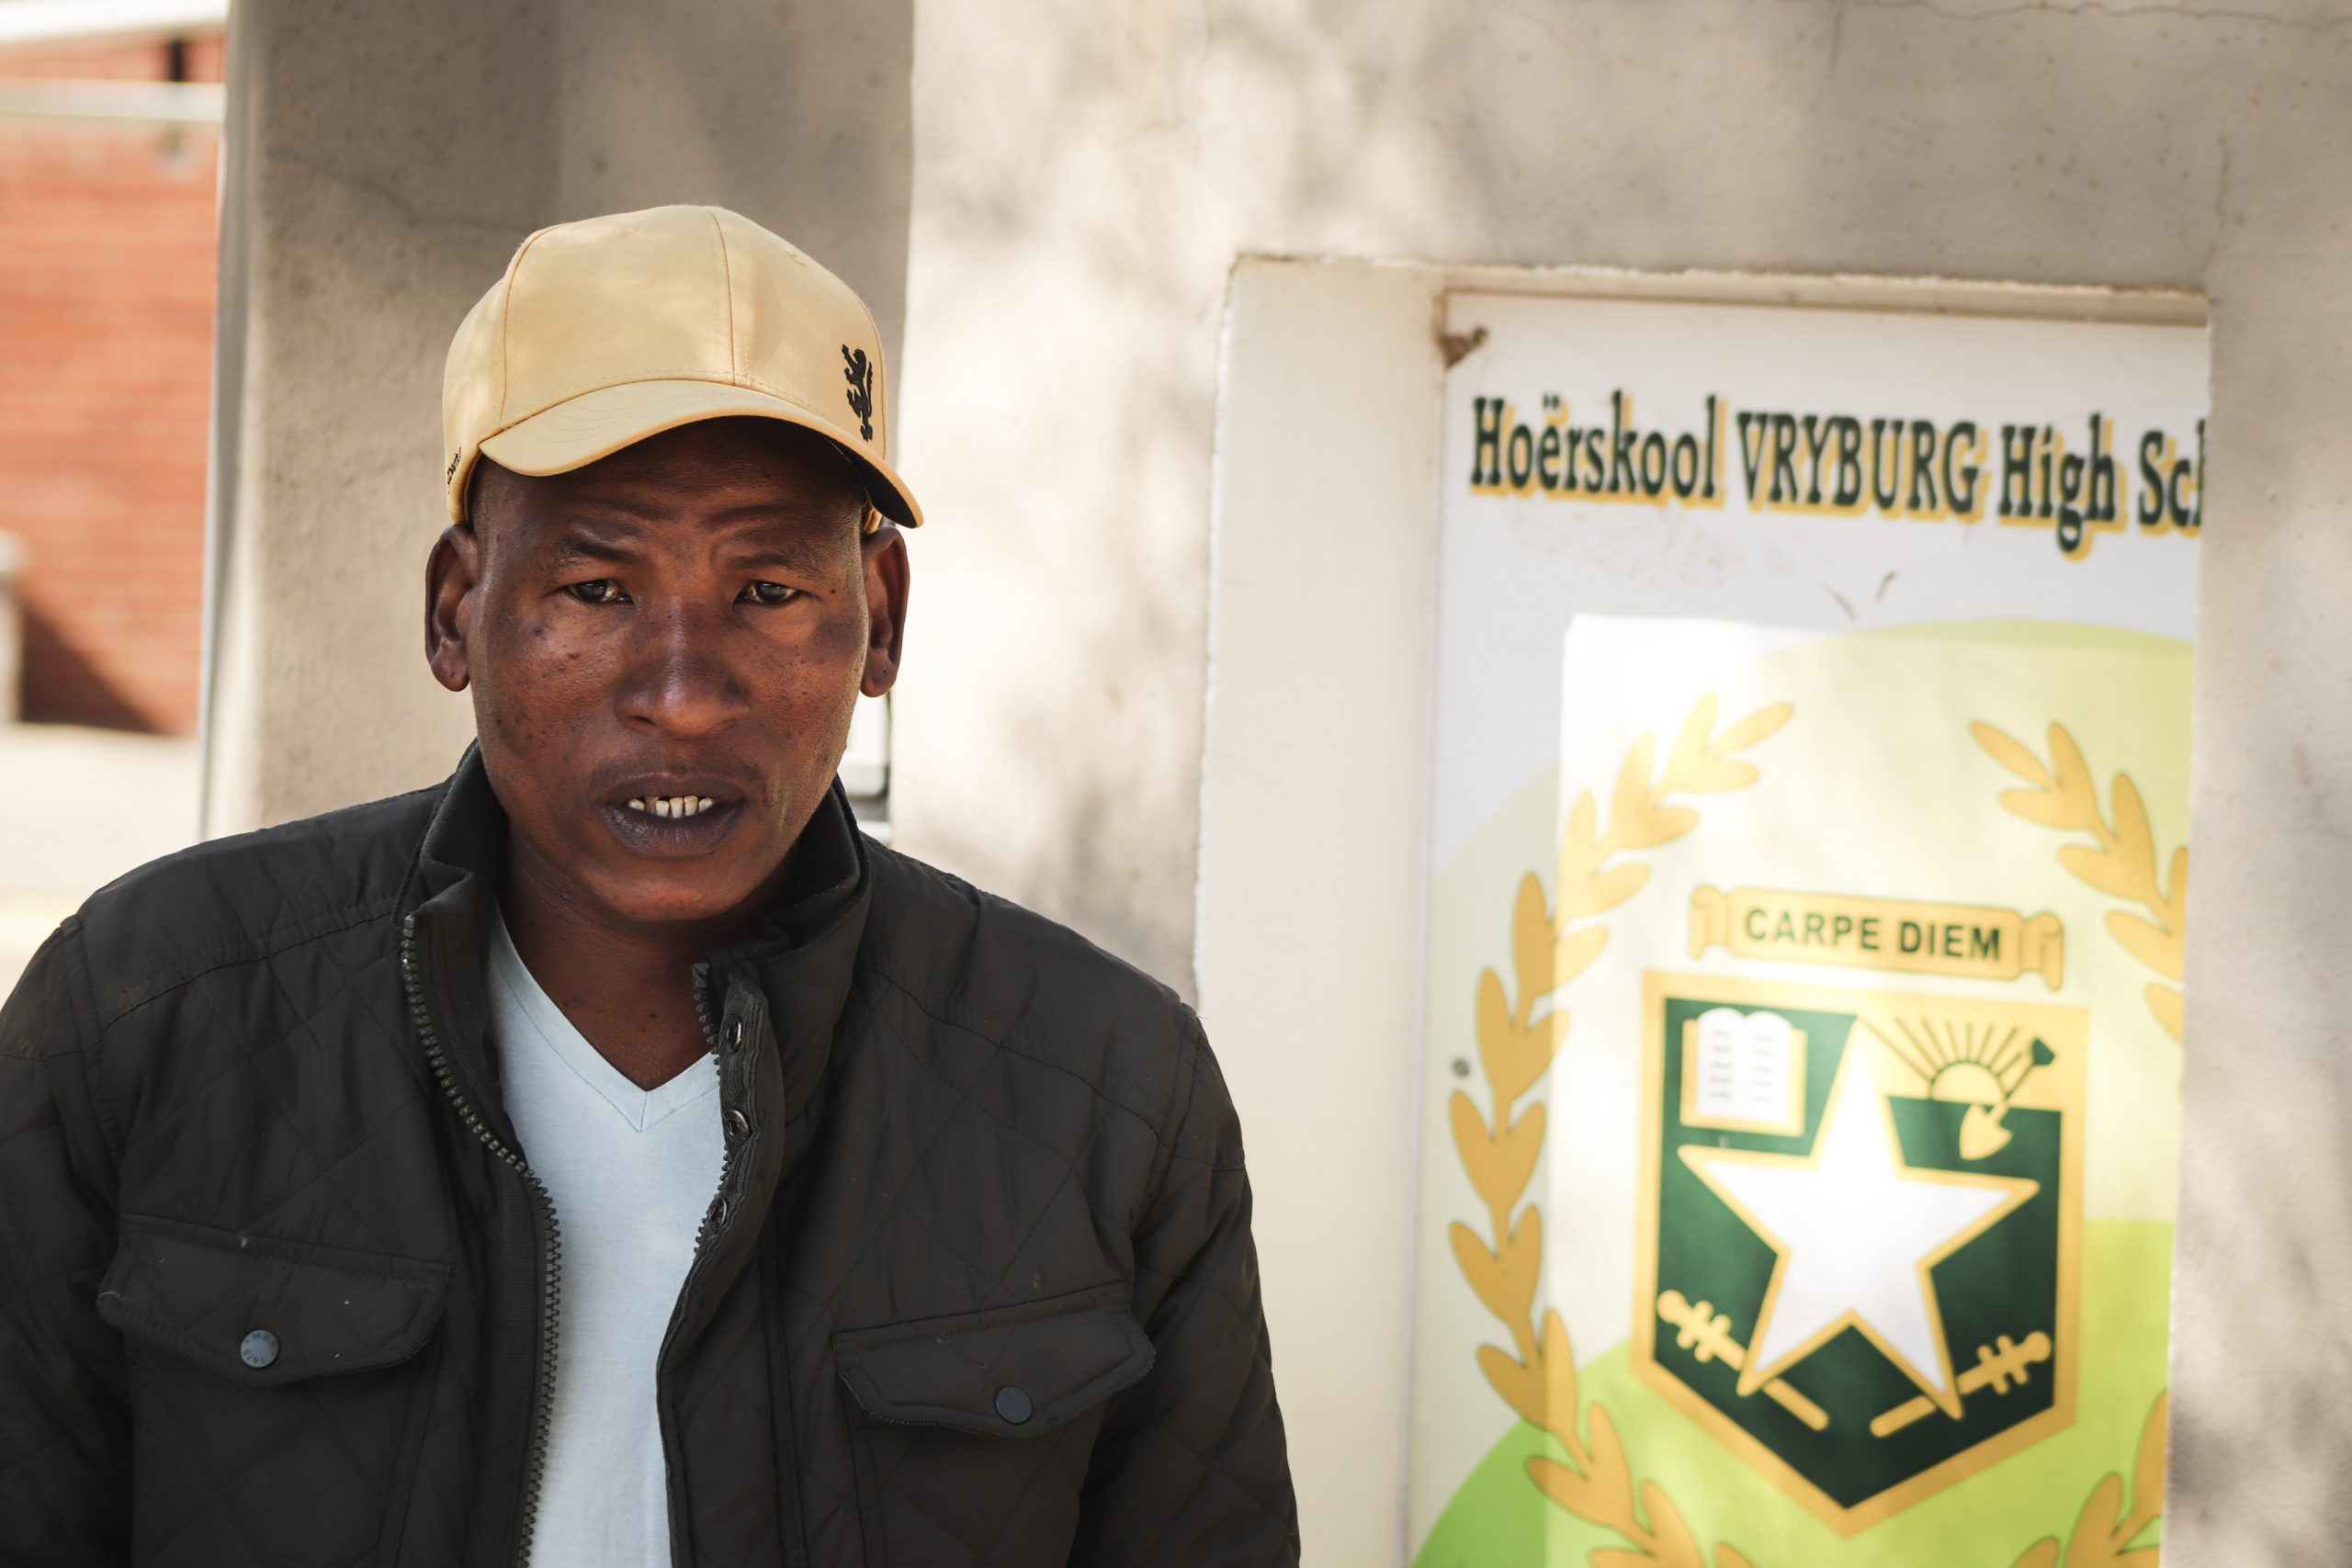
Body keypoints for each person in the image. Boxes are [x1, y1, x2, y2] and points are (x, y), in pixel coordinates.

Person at [0, 205, 1297, 1567]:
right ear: (458, 610)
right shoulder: (150, 1021)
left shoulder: (1103, 1094)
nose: (683, 695)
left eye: (771, 588)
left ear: (883, 618)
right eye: (599, 586)